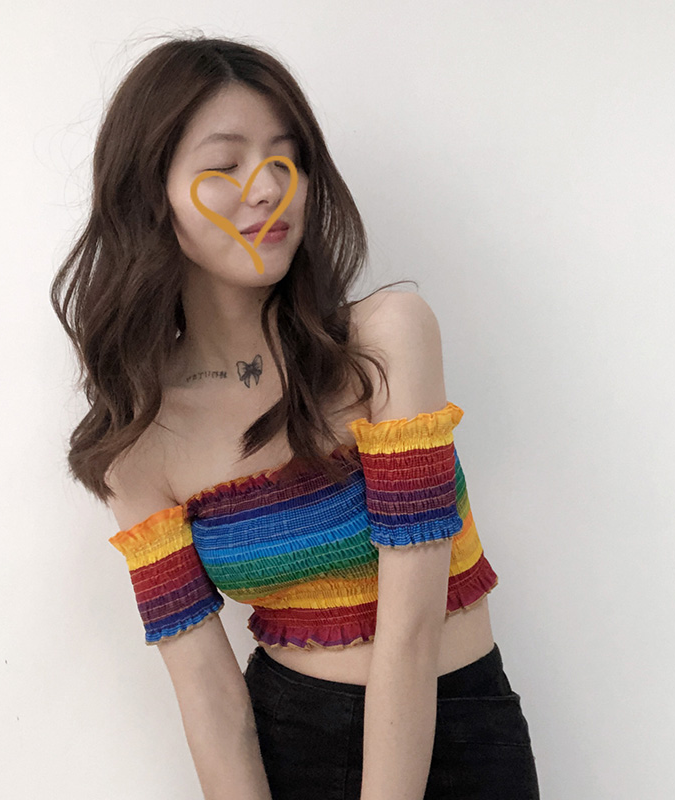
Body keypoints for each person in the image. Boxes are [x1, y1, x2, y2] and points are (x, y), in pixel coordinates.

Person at [50, 33, 540, 800]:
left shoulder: (386, 340)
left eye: (286, 158)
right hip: (292, 746)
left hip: (462, 733)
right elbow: (210, 699)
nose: (268, 188)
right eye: (226, 163)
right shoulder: (137, 448)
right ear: (151, 195)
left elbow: (411, 628)